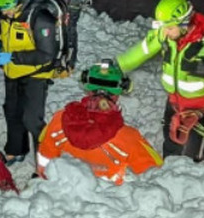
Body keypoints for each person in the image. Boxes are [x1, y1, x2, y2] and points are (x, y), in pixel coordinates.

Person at [114, 0, 204, 162]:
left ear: (184, 23)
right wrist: (117, 66)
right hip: (175, 104)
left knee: (194, 156)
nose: (165, 32)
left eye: (170, 28)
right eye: (164, 28)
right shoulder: (166, 35)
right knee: (171, 148)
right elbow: (142, 51)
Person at [35, 59, 163, 184]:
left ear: (87, 87)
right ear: (119, 92)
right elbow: (157, 174)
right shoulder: (129, 138)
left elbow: (44, 164)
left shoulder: (58, 120)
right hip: (106, 201)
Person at [0, 0, 66, 164]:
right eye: (0, 9)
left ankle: (43, 163)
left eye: (7, 8)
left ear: (19, 2)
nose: (4, 13)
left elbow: (46, 55)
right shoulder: (5, 13)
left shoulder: (40, 18)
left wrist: (11, 56)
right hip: (12, 71)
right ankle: (15, 149)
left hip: (36, 73)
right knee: (12, 111)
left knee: (32, 120)